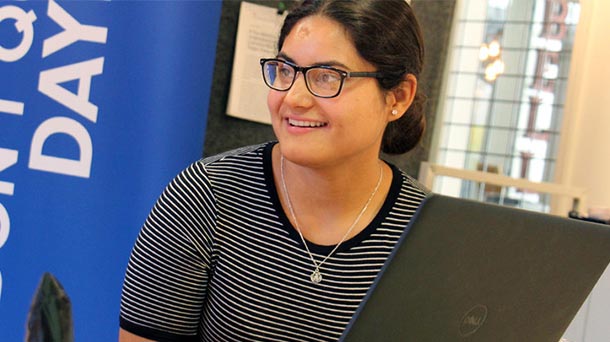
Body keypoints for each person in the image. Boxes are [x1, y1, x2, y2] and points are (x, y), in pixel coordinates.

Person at [119, 0, 427, 340]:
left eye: (327, 77)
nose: (293, 98)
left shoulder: (426, 232)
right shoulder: (206, 198)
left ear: (398, 96)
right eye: (285, 71)